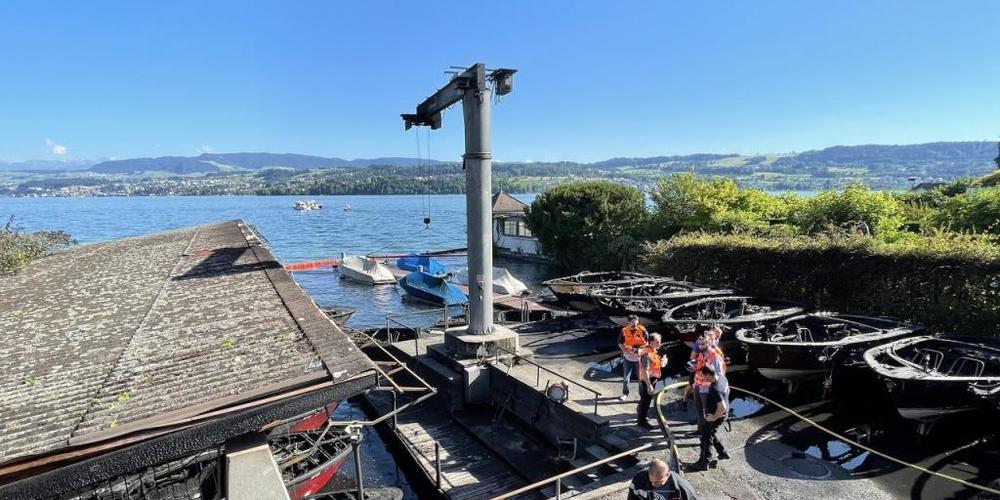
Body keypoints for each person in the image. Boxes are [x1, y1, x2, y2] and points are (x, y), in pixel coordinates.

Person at [692, 364, 729, 470]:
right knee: (710, 432)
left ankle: (703, 463)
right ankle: (722, 453)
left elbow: (722, 406)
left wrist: (714, 417)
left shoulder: (714, 388)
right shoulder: (722, 377)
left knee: (706, 438)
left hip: (717, 415)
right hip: (723, 414)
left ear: (708, 375)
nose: (702, 377)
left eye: (703, 375)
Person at [628, 457, 697, 500]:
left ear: (667, 474)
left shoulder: (684, 490)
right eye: (651, 480)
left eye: (657, 481)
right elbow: (632, 497)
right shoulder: (639, 478)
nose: (653, 484)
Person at [618, 314, 649, 401]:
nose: (635, 324)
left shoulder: (642, 330)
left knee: (640, 378)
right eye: (633, 322)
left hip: (639, 358)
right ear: (629, 322)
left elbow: (647, 343)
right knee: (626, 377)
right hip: (628, 358)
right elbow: (620, 342)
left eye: (636, 322)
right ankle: (625, 394)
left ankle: (641, 396)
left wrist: (638, 349)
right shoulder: (624, 330)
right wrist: (625, 350)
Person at [637, 333, 665, 428]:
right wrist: (649, 385)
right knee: (646, 401)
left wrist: (663, 361)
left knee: (644, 400)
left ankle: (641, 415)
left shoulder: (652, 350)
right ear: (651, 342)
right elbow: (645, 370)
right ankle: (641, 421)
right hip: (647, 380)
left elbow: (655, 363)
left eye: (659, 342)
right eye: (657, 342)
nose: (659, 344)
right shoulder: (646, 354)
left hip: (650, 379)